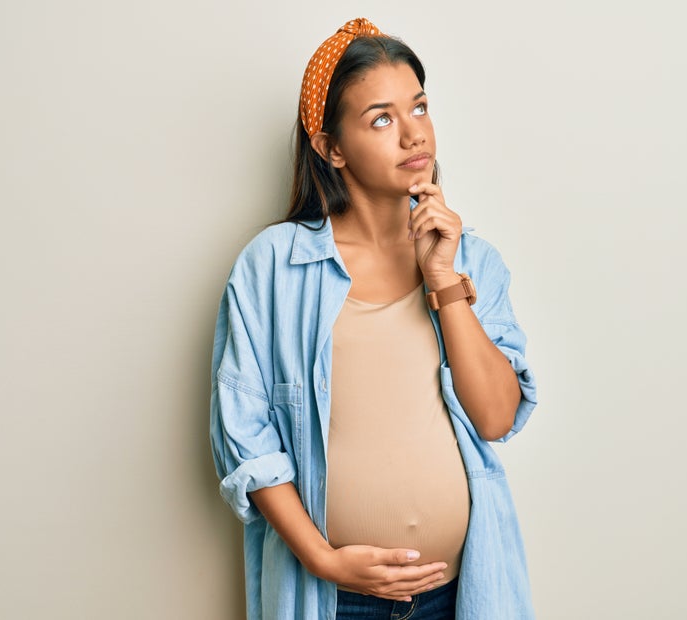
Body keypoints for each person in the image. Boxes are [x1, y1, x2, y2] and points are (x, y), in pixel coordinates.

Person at [210, 18, 538, 620]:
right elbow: (245, 437)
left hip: (462, 593)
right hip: (332, 599)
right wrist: (324, 561)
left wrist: (444, 282)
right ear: (331, 147)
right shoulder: (274, 268)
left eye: (420, 107)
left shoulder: (473, 262)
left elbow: (494, 418)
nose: (414, 134)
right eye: (381, 118)